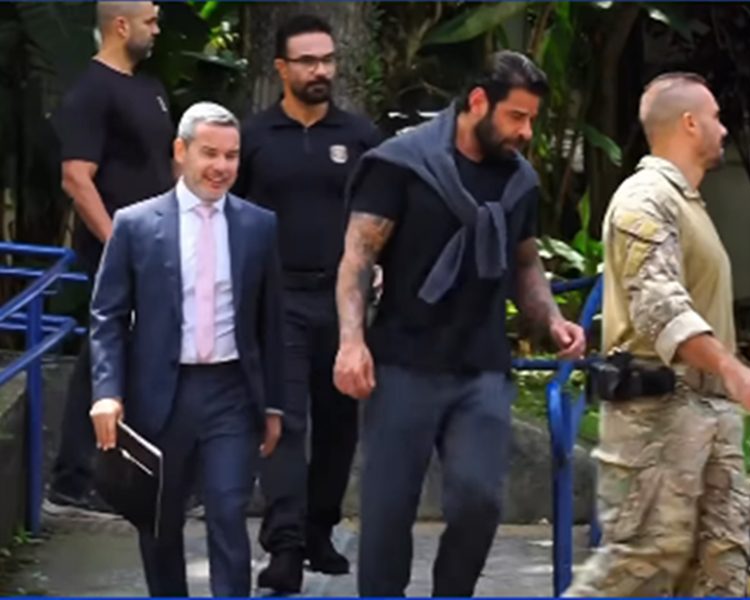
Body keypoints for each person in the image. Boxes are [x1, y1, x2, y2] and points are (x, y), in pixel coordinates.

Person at [334, 50, 586, 597]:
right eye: (516, 116)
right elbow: (358, 258)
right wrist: (351, 343)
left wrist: (553, 320)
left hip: (481, 367)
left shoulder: (519, 181)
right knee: (387, 513)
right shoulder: (400, 165)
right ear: (477, 101)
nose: (526, 132)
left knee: (480, 502)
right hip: (403, 363)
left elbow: (525, 263)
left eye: (531, 119)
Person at [564, 72, 750, 597]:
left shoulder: (687, 205)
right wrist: (732, 369)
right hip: (656, 421)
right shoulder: (645, 200)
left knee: (720, 569)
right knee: (636, 570)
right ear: (689, 123)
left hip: (705, 415)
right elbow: (660, 310)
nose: (724, 129)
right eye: (716, 117)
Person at [88, 102, 287, 597]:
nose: (221, 166)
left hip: (231, 392)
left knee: (227, 512)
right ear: (181, 151)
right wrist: (107, 392)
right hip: (160, 394)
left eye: (231, 156)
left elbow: (271, 323)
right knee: (159, 521)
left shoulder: (259, 226)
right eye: (209, 153)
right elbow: (107, 315)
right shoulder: (135, 224)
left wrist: (275, 405)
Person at [232, 14, 382, 593]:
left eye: (327, 60)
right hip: (278, 301)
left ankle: (320, 529)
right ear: (281, 68)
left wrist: (382, 268)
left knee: (340, 423)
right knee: (286, 422)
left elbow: (386, 213)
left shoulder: (361, 137)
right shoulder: (253, 137)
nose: (321, 71)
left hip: (344, 301)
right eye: (308, 61)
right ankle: (286, 546)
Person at [48, 0, 173, 513]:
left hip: (160, 247)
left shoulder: (151, 89)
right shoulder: (91, 91)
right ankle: (74, 478)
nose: (157, 30)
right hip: (116, 250)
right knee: (106, 354)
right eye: (150, 22)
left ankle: (134, 476)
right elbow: (76, 178)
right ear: (121, 26)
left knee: (142, 355)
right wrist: (118, 242)